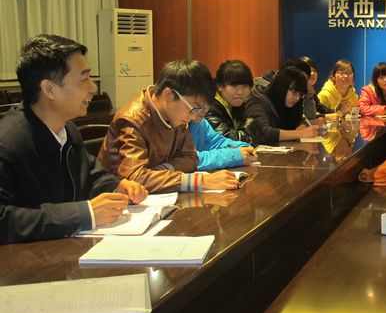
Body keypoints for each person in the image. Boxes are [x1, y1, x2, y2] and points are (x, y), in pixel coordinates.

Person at [0, 34, 147, 244]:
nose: (93, 87)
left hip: (67, 249)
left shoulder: (67, 130)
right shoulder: (7, 143)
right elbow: (4, 219)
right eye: (84, 78)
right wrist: (83, 214)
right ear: (49, 89)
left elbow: (90, 174)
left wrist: (116, 188)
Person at [99, 60, 241, 193]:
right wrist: (198, 181)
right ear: (168, 94)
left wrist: (161, 170)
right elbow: (134, 178)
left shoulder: (176, 115)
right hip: (117, 201)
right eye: (194, 108)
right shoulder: (133, 120)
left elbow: (191, 159)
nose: (194, 117)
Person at [246, 67, 319, 145]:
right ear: (282, 87)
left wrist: (302, 126)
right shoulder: (258, 101)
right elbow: (263, 133)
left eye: (300, 94)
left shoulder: (285, 102)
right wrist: (299, 133)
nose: (297, 98)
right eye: (294, 92)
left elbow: (301, 119)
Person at [205, 59, 253, 143]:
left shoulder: (238, 106)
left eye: (245, 86)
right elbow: (227, 140)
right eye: (234, 86)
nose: (240, 92)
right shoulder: (209, 108)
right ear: (220, 86)